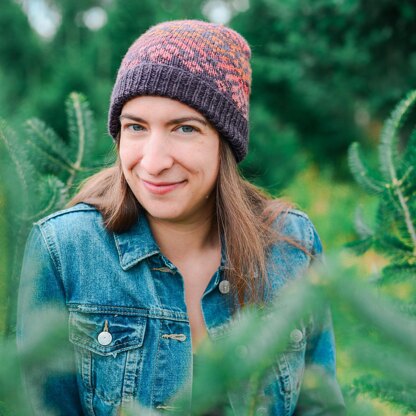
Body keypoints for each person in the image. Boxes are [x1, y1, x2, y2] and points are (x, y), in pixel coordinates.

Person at [17, 20, 345, 416]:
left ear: (225, 142)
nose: (153, 162)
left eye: (184, 128)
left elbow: (320, 406)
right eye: (136, 127)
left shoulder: (292, 244)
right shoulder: (66, 250)